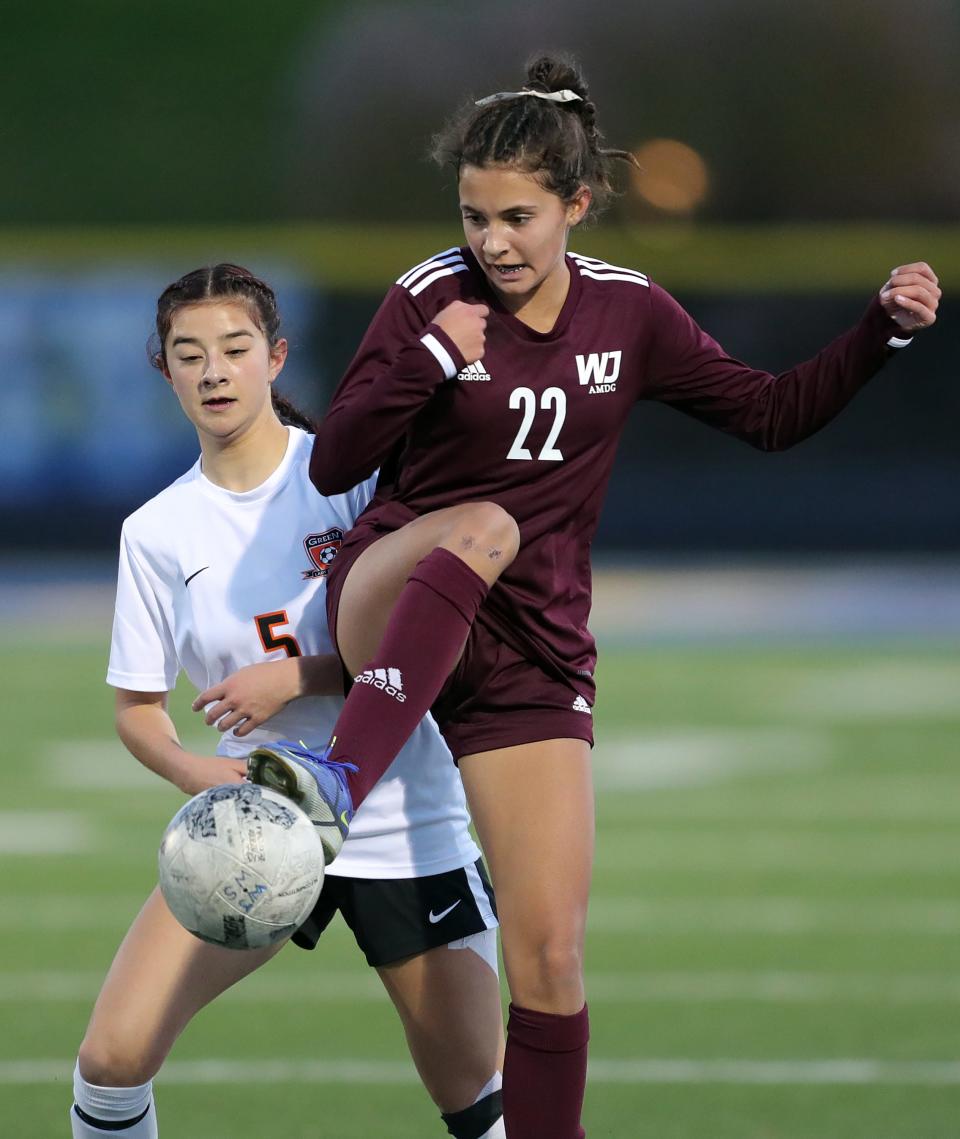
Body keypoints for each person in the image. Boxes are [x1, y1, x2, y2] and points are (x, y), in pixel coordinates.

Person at [244, 54, 942, 1139]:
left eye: (517, 216)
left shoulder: (632, 313)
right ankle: (337, 778)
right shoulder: (431, 298)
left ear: (577, 204)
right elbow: (334, 461)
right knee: (484, 523)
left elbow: (767, 414)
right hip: (390, 581)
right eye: (474, 215)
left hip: (526, 648)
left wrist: (879, 334)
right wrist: (429, 357)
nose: (492, 242)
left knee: (552, 956)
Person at [70, 264, 506, 1139]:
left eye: (234, 349)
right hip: (257, 825)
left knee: (479, 1098)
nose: (214, 371)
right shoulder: (156, 531)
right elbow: (136, 708)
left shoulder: (350, 475)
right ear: (165, 372)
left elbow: (444, 641)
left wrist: (302, 675)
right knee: (111, 1064)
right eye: (189, 355)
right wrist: (202, 775)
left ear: (275, 356)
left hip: (399, 814)